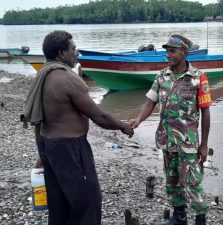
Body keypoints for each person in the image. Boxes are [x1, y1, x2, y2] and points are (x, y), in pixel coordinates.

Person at [21, 30, 134, 225]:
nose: (76, 53)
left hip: (50, 146)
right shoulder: (67, 78)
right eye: (73, 49)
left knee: (59, 203)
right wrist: (124, 126)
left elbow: (38, 121)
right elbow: (99, 116)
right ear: (60, 53)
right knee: (87, 202)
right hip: (71, 148)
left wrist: (42, 154)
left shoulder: (42, 76)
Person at [128, 34, 211, 225]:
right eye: (167, 51)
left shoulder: (199, 78)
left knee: (193, 183)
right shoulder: (161, 76)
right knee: (172, 181)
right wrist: (138, 120)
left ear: (184, 52)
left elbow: (206, 113)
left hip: (188, 143)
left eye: (172, 51)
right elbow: (150, 102)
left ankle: (200, 219)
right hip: (166, 140)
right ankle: (179, 217)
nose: (168, 55)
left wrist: (204, 145)